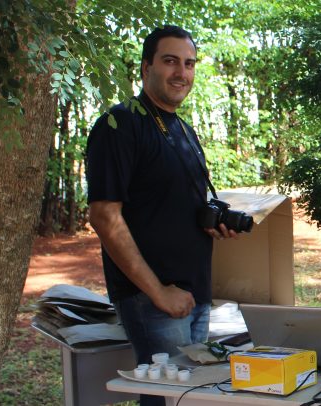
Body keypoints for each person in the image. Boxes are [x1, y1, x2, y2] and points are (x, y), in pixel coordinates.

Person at [86, 26, 237, 406]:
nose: (181, 72)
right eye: (170, 61)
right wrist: (157, 292)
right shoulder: (119, 125)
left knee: (193, 399)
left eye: (189, 64)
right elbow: (104, 216)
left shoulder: (184, 129)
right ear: (146, 67)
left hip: (194, 292)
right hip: (153, 298)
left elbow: (168, 205)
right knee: (170, 400)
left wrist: (211, 222)